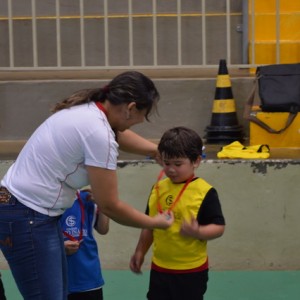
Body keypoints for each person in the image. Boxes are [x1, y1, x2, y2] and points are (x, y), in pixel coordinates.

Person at [0, 71, 174, 300]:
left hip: (24, 210)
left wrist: (154, 150)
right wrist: (155, 222)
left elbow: (117, 135)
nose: (142, 121)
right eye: (144, 115)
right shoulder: (98, 132)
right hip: (27, 216)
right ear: (131, 108)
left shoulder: (89, 111)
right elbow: (109, 205)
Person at [130, 126, 226, 300]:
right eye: (167, 163)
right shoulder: (158, 189)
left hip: (191, 271)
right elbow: (149, 226)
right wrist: (140, 252)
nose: (171, 169)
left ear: (196, 161)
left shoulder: (205, 192)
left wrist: (198, 232)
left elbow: (219, 227)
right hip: (160, 268)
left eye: (178, 164)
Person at [60, 189, 109, 300]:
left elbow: (103, 229)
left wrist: (103, 204)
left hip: (87, 277)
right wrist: (59, 247)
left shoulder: (87, 198)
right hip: (56, 278)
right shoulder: (45, 199)